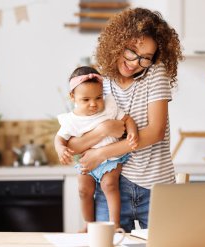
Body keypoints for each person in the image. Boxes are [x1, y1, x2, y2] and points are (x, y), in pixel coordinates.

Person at [65, 8, 183, 232]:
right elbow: (74, 144)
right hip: (112, 186)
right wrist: (103, 131)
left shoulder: (156, 73)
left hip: (155, 185)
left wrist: (101, 152)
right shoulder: (100, 82)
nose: (135, 62)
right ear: (117, 43)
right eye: (132, 51)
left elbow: (155, 131)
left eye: (146, 57)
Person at [54, 66, 138, 232]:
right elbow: (59, 138)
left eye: (98, 97)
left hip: (110, 159)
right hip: (88, 161)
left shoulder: (109, 107)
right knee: (83, 190)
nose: (93, 104)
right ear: (73, 97)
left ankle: (115, 224)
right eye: (86, 100)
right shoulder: (71, 120)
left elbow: (127, 119)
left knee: (109, 185)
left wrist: (133, 132)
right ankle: (88, 223)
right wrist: (60, 149)